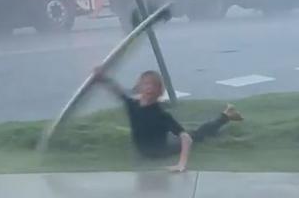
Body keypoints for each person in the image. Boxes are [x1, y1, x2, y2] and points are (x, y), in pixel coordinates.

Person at [94, 68, 243, 172]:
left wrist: (181, 164)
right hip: (144, 151)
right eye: (146, 84)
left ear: (159, 91)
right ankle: (227, 114)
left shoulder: (161, 115)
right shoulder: (132, 106)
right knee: (192, 133)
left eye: (153, 86)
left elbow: (186, 138)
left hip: (161, 151)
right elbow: (118, 91)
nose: (149, 89)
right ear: (139, 87)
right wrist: (102, 78)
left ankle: (226, 116)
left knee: (195, 135)